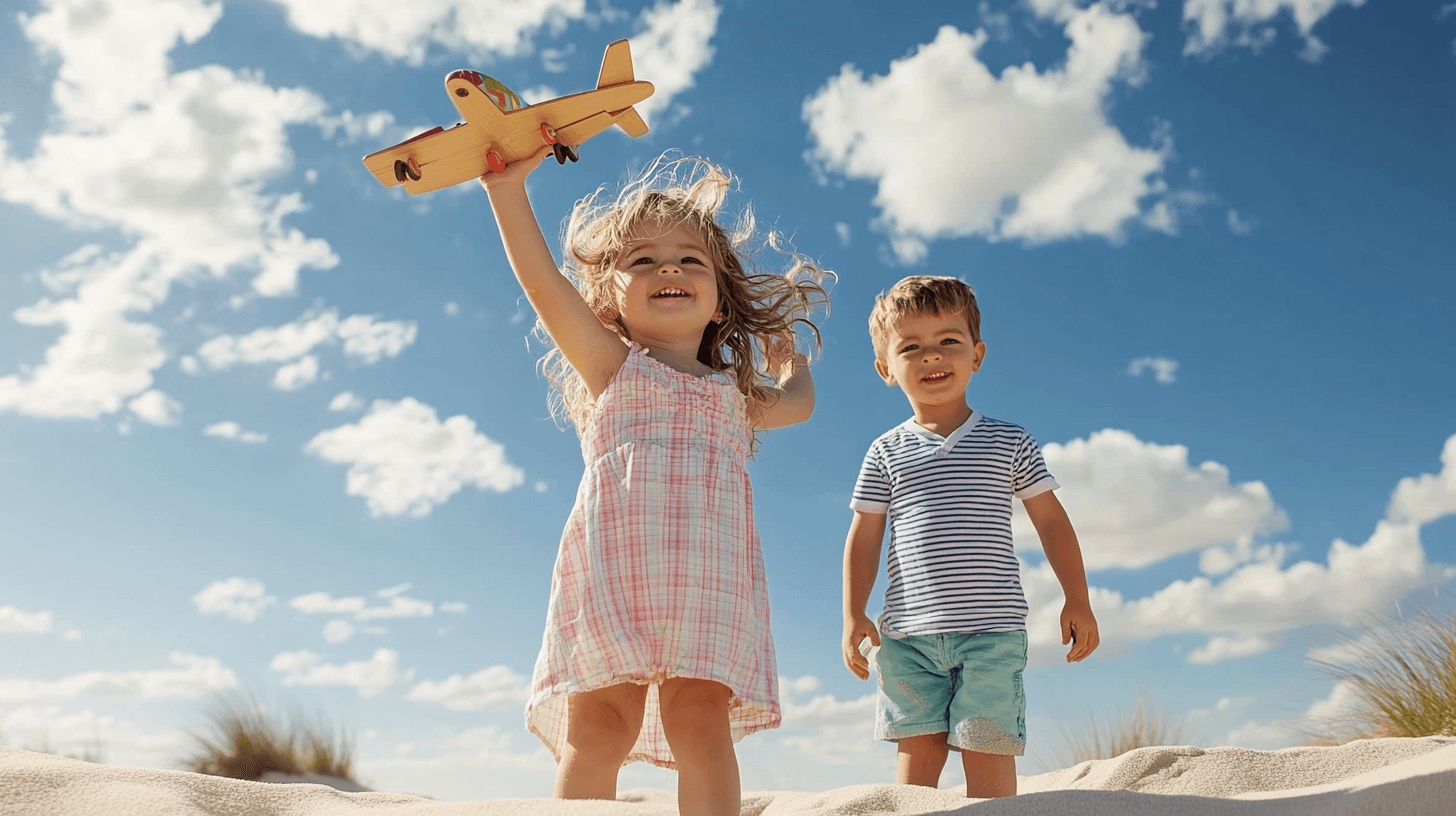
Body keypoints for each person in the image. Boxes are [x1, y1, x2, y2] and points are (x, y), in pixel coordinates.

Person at [479, 148, 830, 816]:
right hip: (613, 584)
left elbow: (799, 404)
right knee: (599, 725)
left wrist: (789, 363)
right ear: (610, 295)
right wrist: (505, 188)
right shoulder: (613, 367)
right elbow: (540, 281)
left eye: (689, 259)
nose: (668, 267)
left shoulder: (733, 395)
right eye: (642, 260)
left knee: (700, 720)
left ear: (721, 298)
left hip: (710, 587)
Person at [840, 275, 1099, 799]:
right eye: (910, 347)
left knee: (987, 748)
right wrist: (852, 613)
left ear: (976, 355)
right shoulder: (885, 452)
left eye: (948, 341)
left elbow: (1050, 520)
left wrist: (1078, 597)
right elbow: (864, 537)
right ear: (886, 369)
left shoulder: (1009, 441)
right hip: (907, 638)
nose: (931, 355)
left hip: (991, 633)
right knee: (918, 754)